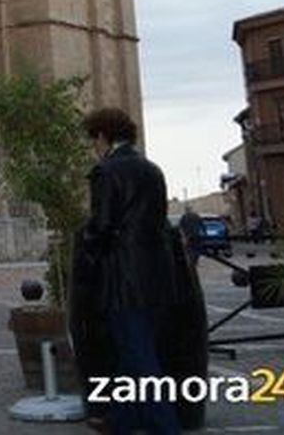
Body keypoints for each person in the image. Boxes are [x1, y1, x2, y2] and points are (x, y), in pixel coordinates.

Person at [79, 107, 183, 435]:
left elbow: (102, 226)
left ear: (102, 136)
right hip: (158, 275)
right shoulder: (153, 170)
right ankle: (122, 420)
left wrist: (86, 247)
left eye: (93, 139)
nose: (94, 147)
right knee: (132, 349)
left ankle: (167, 427)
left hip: (124, 278)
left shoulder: (106, 171)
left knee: (139, 354)